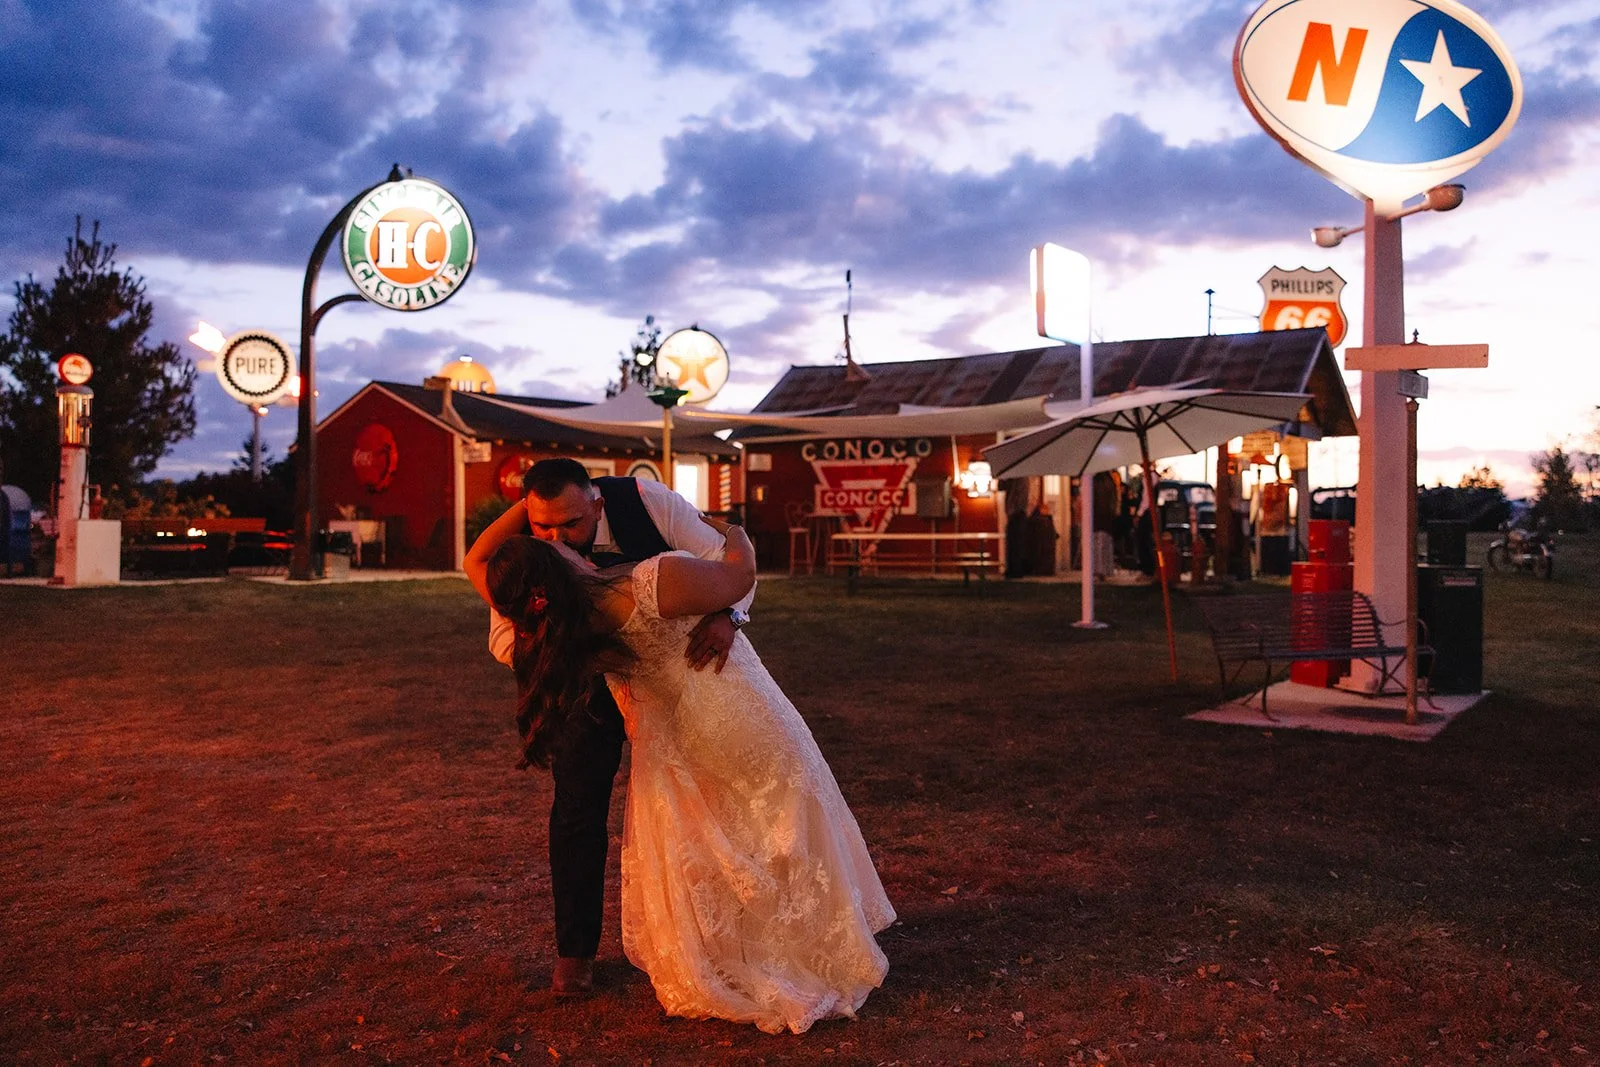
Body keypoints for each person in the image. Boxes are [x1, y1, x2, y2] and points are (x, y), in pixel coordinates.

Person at [475, 519, 895, 1034]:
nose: (565, 543)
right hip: (731, 710)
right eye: (553, 546)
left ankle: (745, 953)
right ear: (553, 572)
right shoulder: (650, 580)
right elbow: (738, 578)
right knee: (777, 824)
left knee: (724, 844)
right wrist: (738, 531)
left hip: (673, 740)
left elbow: (476, 564)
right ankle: (804, 951)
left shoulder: (567, 632)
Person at [467, 459, 754, 996]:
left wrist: (728, 615)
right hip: (582, 679)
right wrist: (576, 651)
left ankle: (723, 929)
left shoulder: (650, 502)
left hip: (679, 675)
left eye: (570, 524)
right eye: (542, 525)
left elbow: (725, 565)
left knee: (699, 802)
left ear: (597, 504)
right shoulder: (532, 558)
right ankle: (574, 953)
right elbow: (504, 639)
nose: (556, 537)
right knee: (578, 808)